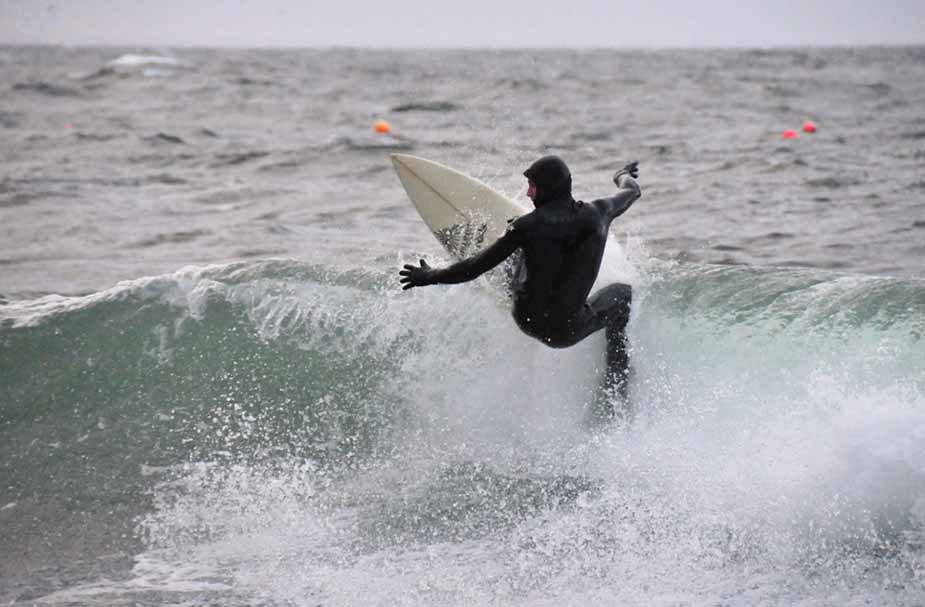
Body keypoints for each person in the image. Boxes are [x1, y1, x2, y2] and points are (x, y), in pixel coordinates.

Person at [399, 156, 641, 420]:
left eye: (532, 186)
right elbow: (632, 190)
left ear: (547, 189)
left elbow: (474, 267)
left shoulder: (525, 227)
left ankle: (510, 278)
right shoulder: (601, 213)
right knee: (622, 296)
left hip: (527, 318)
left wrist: (429, 275)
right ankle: (617, 383)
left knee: (517, 250)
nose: (528, 192)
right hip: (566, 330)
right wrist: (621, 174)